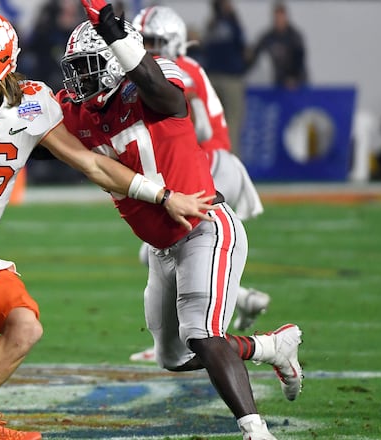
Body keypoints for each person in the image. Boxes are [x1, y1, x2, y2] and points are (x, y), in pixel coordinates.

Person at [0, 9, 213, 440]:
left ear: (0, 59)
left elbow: (92, 163)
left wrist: (162, 195)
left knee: (25, 326)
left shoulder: (35, 104)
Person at [57, 1, 302, 438]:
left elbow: (160, 88)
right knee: (173, 356)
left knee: (203, 334)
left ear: (116, 62)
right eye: (76, 68)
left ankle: (256, 432)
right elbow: (27, 128)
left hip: (205, 225)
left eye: (90, 67)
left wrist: (113, 29)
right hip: (161, 247)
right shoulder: (78, 111)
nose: (80, 79)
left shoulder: (157, 83)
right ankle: (270, 346)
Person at [127, 5, 270, 363]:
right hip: (212, 164)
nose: (150, 48)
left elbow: (202, 128)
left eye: (157, 41)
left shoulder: (177, 72)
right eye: (145, 41)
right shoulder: (177, 69)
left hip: (210, 164)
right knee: (167, 255)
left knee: (162, 251)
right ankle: (188, 336)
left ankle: (213, 327)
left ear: (175, 42)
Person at [202, 0, 247, 154]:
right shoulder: (231, 23)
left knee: (212, 122)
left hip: (212, 77)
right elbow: (242, 48)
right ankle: (232, 163)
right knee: (232, 121)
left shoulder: (211, 25)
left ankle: (213, 161)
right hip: (230, 77)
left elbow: (205, 49)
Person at [247, 1, 307, 90]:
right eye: (277, 16)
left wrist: (293, 76)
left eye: (281, 16)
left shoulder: (294, 36)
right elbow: (256, 51)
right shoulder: (269, 36)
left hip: (297, 81)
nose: (279, 19)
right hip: (279, 80)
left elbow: (299, 57)